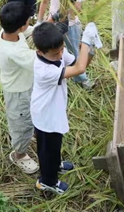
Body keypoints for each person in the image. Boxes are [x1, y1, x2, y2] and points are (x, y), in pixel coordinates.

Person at [31, 21, 102, 194]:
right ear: (40, 52)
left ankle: (56, 165)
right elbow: (79, 69)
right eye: (56, 53)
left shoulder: (57, 53)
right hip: (45, 116)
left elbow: (79, 64)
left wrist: (89, 49)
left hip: (54, 110)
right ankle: (47, 181)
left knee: (56, 143)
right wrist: (85, 40)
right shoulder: (43, 70)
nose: (61, 55)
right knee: (47, 150)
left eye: (62, 50)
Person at [0, 1, 39, 175]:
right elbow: (39, 60)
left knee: (28, 117)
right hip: (18, 92)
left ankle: (28, 136)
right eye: (28, 20)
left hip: (24, 85)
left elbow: (29, 32)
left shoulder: (7, 32)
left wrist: (48, 23)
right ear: (21, 26)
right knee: (21, 124)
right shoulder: (16, 52)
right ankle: (19, 154)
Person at [38, 0, 93, 89]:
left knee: (74, 51)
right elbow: (44, 2)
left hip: (71, 25)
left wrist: (65, 12)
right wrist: (40, 21)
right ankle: (57, 75)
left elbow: (78, 8)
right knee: (53, 50)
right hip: (53, 23)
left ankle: (81, 78)